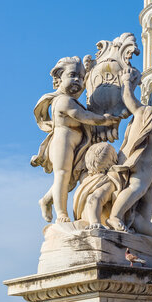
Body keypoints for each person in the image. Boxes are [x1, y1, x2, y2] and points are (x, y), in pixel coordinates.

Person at [31, 56, 117, 223]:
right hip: (63, 143)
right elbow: (85, 116)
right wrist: (106, 119)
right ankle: (61, 213)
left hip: (79, 145)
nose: (78, 80)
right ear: (59, 79)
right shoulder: (63, 101)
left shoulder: (72, 99)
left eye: (81, 76)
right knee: (62, 176)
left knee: (69, 179)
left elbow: (79, 90)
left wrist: (90, 71)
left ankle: (46, 200)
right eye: (72, 75)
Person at [106, 68, 152, 241]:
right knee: (137, 187)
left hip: (148, 166)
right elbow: (129, 100)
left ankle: (142, 226)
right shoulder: (148, 113)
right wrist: (126, 82)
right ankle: (115, 216)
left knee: (149, 195)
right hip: (137, 160)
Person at [73, 142, 127, 228]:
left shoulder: (86, 180)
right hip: (95, 222)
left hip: (82, 220)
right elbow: (94, 198)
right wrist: (95, 222)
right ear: (113, 160)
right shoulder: (108, 181)